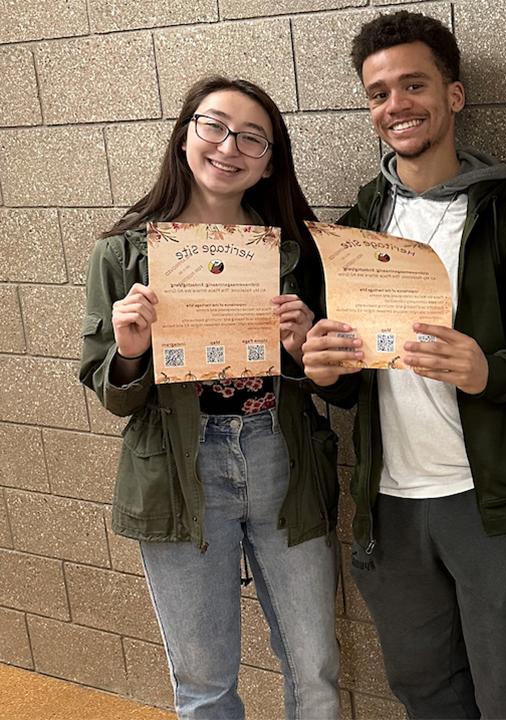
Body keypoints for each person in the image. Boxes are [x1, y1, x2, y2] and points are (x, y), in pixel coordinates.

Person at [299, 11, 506, 719]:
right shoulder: (356, 227)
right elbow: (354, 375)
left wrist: (492, 371)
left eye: (413, 85)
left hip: (495, 504)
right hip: (391, 507)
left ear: (452, 96)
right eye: (378, 93)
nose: (396, 105)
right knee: (422, 691)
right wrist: (327, 372)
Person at [78, 76, 340, 719]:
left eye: (253, 137)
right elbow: (104, 383)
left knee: (316, 668)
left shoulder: (297, 250)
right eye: (214, 125)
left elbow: (339, 375)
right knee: (202, 682)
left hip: (282, 453)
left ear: (270, 159)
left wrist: (307, 345)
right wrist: (132, 348)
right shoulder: (124, 252)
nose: (230, 146)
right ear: (186, 134)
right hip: (177, 469)